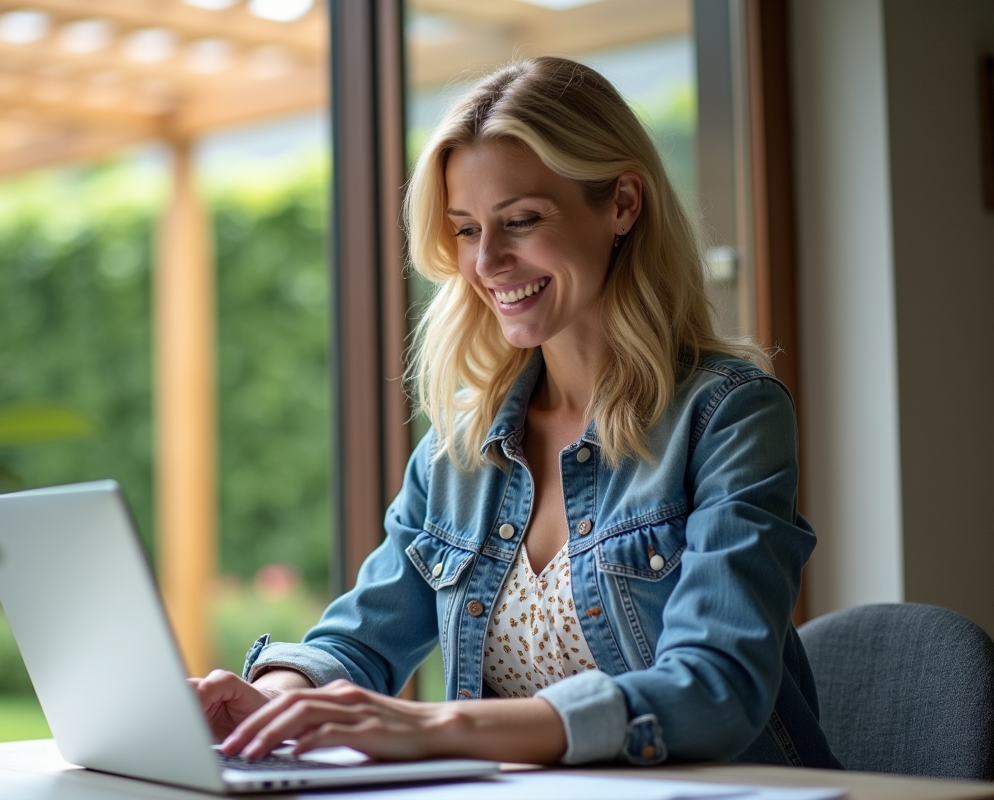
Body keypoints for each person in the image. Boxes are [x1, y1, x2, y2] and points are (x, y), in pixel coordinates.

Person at [192, 56, 840, 769]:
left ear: (623, 203)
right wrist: (279, 696)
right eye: (466, 230)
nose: (488, 262)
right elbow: (361, 637)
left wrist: (438, 727)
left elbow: (716, 688)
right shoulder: (460, 449)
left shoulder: (728, 415)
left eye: (521, 220)